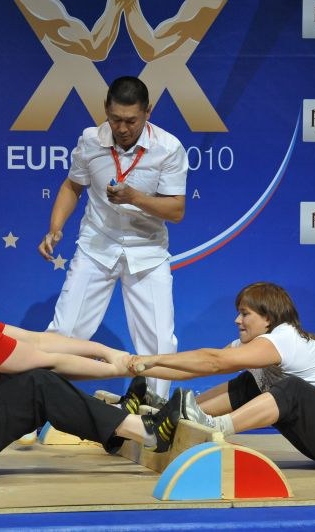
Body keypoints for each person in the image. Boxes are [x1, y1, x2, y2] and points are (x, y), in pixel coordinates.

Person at [0, 244, 182, 481]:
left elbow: (36, 341)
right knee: (36, 383)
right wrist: (117, 368)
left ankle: (120, 422)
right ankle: (146, 431)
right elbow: (50, 363)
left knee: (16, 373)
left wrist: (107, 351)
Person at [38, 75, 188, 401]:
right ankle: (42, 404)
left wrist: (135, 198)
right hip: (97, 245)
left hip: (147, 251)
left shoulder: (168, 148)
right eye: (115, 119)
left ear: (148, 112)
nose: (122, 128)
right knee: (64, 333)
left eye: (131, 121)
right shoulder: (90, 140)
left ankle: (153, 410)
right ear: (106, 109)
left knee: (160, 342)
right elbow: (72, 185)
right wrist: (55, 227)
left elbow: (176, 210)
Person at [124, 282, 315, 470]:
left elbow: (214, 362)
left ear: (268, 318)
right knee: (251, 382)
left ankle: (216, 426)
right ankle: (177, 413)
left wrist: (154, 358)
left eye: (245, 313)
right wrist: (132, 366)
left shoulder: (285, 338)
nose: (237, 320)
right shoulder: (254, 346)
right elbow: (195, 368)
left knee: (290, 388)